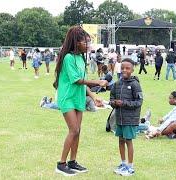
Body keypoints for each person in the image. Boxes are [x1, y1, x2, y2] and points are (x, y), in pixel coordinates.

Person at [53, 26, 108, 176]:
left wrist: (94, 97)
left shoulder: (81, 58)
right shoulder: (68, 57)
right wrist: (98, 82)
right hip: (67, 98)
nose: (88, 45)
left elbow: (82, 84)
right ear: (77, 42)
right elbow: (77, 80)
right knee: (74, 130)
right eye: (86, 42)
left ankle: (72, 162)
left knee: (78, 131)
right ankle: (61, 164)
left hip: (78, 97)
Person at [110, 58, 143, 176]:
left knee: (128, 141)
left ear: (132, 70)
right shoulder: (117, 84)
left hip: (130, 118)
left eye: (127, 68)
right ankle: (123, 163)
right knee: (120, 140)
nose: (124, 70)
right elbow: (111, 99)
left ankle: (130, 166)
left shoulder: (135, 84)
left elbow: (139, 102)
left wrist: (123, 103)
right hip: (119, 118)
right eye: (122, 68)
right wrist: (114, 103)